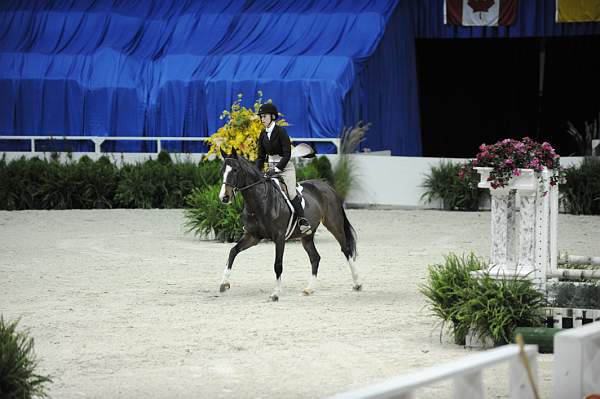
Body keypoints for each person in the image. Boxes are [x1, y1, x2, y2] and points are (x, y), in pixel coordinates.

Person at [255, 102, 311, 234]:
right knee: (260, 192)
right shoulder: (263, 134)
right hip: (270, 167)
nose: (262, 119)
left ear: (272, 117)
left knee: (291, 193)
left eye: (264, 116)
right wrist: (257, 171)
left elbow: (287, 154)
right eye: (261, 117)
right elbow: (261, 156)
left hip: (285, 167)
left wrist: (278, 169)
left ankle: (302, 220)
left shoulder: (281, 131)